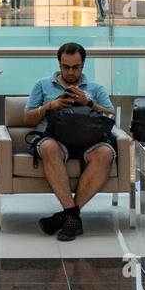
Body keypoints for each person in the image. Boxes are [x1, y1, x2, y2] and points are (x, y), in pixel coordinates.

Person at [22, 42, 116, 241]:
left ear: (83, 65)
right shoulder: (43, 85)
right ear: (59, 63)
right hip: (55, 139)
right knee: (47, 147)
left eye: (75, 67)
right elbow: (27, 119)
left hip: (89, 140)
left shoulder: (95, 88)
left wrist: (88, 103)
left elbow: (111, 116)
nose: (70, 72)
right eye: (66, 67)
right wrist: (51, 105)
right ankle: (72, 217)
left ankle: (66, 216)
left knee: (105, 153)